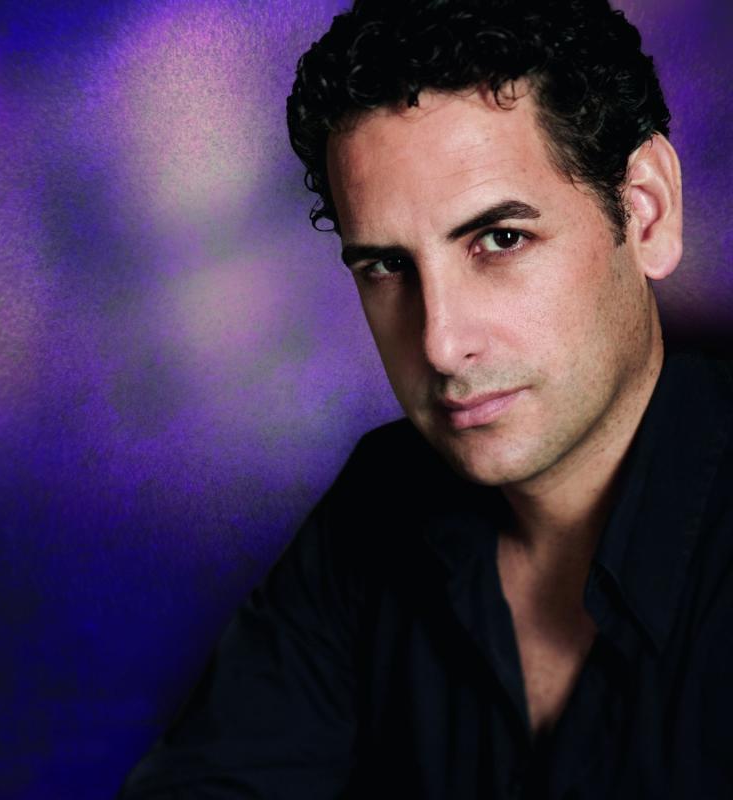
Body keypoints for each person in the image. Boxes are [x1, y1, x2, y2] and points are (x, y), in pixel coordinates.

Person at [120, 0, 733, 797]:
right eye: (387, 267)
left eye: (501, 240)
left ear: (646, 212)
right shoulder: (378, 510)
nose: (441, 343)